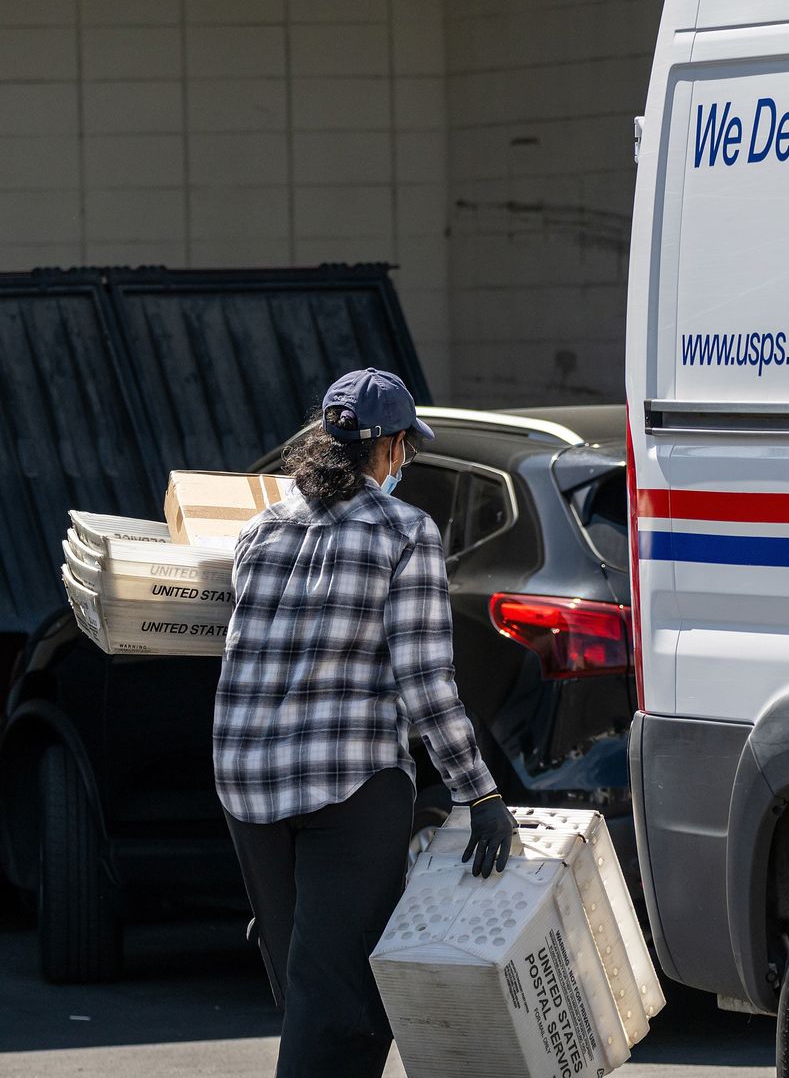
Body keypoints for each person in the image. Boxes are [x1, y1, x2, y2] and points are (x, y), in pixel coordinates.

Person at [212, 367, 517, 1078]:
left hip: (245, 785)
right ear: (392, 449)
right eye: (406, 448)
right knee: (343, 1005)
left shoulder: (261, 529)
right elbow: (425, 684)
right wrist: (481, 794)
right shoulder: (405, 533)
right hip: (347, 785)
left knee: (308, 990)